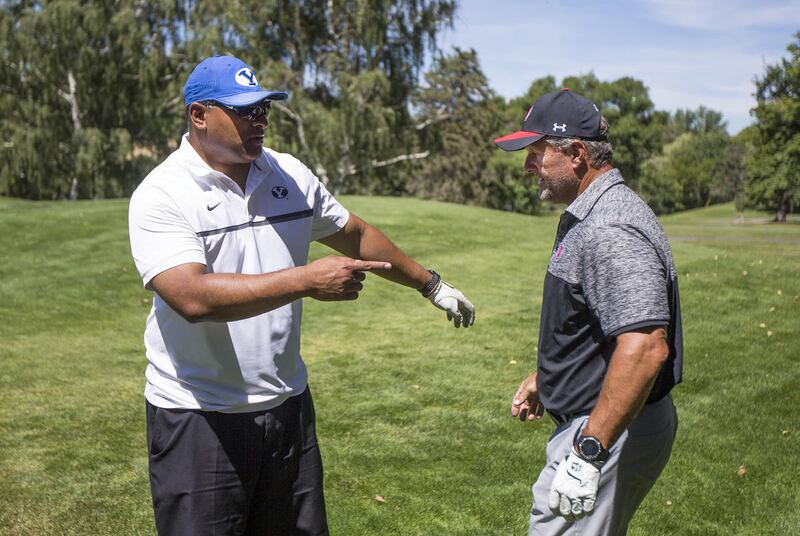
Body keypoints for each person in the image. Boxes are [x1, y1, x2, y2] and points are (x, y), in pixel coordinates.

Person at [128, 55, 475, 536]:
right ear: (199, 115)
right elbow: (191, 297)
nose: (260, 120)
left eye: (264, 108)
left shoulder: (287, 174)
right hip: (198, 416)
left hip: (287, 408)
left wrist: (429, 283)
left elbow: (353, 233)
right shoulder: (162, 193)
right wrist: (306, 280)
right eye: (245, 110)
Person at [494, 89, 683, 536]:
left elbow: (645, 346)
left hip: (607, 429)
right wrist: (551, 377)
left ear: (576, 154)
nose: (527, 166)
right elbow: (600, 325)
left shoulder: (610, 226)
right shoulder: (591, 213)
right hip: (603, 417)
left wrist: (588, 452)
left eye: (536, 153)